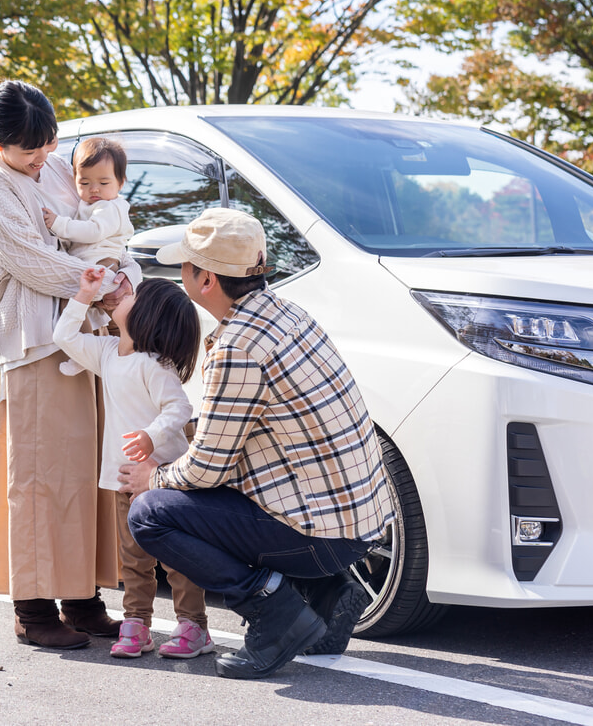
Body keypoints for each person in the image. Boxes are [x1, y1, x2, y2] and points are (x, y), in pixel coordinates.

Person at [119, 208, 394, 680]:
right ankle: (328, 592)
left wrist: (152, 477)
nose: (180, 273)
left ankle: (276, 611)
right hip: (360, 528)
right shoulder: (289, 314)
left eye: (186, 265)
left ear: (205, 280)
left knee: (150, 513)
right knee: (206, 492)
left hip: (319, 538)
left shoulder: (238, 346)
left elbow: (206, 469)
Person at [0, 78, 141, 649]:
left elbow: (102, 223)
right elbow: (29, 259)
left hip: (83, 334)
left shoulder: (61, 166)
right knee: (40, 477)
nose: (42, 157)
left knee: (84, 473)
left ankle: (82, 596)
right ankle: (34, 608)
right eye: (27, 149)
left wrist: (115, 277)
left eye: (48, 143)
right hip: (36, 341)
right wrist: (103, 286)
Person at [53, 268, 215, 661]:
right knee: (134, 559)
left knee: (178, 558)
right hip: (123, 477)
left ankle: (193, 626)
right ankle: (137, 624)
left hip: (163, 478)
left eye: (133, 294)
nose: (121, 293)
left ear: (147, 315)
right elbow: (64, 337)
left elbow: (179, 407)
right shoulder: (108, 353)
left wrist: (151, 436)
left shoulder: (153, 364)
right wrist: (83, 294)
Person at [41, 137, 134, 271]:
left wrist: (59, 223)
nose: (94, 189)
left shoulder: (111, 207)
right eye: (84, 183)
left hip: (102, 261)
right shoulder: (87, 203)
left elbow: (94, 231)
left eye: (103, 183)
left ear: (121, 183)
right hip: (87, 260)